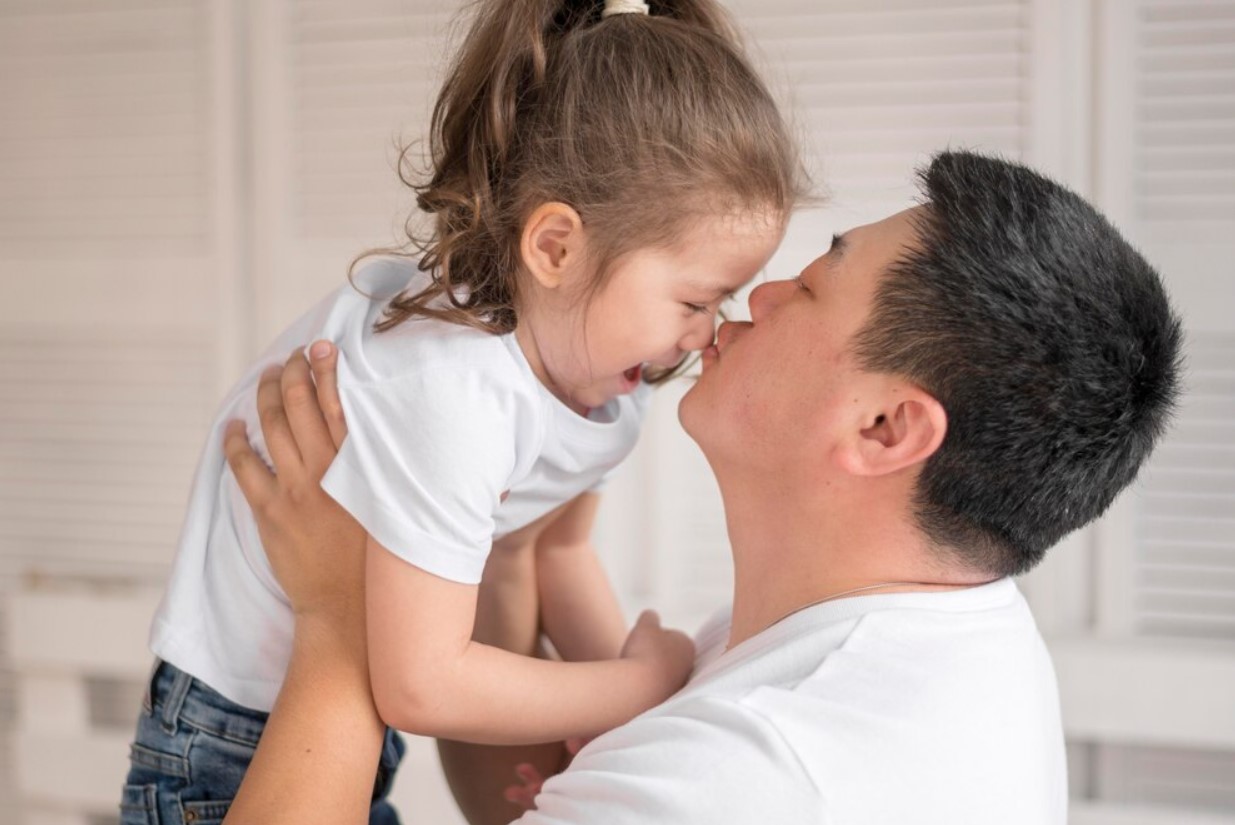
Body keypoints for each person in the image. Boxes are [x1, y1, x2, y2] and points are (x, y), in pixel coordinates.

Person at [218, 150, 1182, 825]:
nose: (756, 296)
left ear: (885, 428)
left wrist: (338, 623)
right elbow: (542, 798)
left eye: (813, 283)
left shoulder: (754, 775)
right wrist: (513, 554)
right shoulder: (923, 633)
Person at [121, 0, 803, 820]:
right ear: (554, 247)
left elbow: (556, 552)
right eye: (695, 300)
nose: (708, 332)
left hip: (344, 706)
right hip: (233, 729)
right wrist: (634, 682)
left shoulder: (597, 379)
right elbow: (422, 682)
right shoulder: (452, 389)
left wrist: (636, 725)